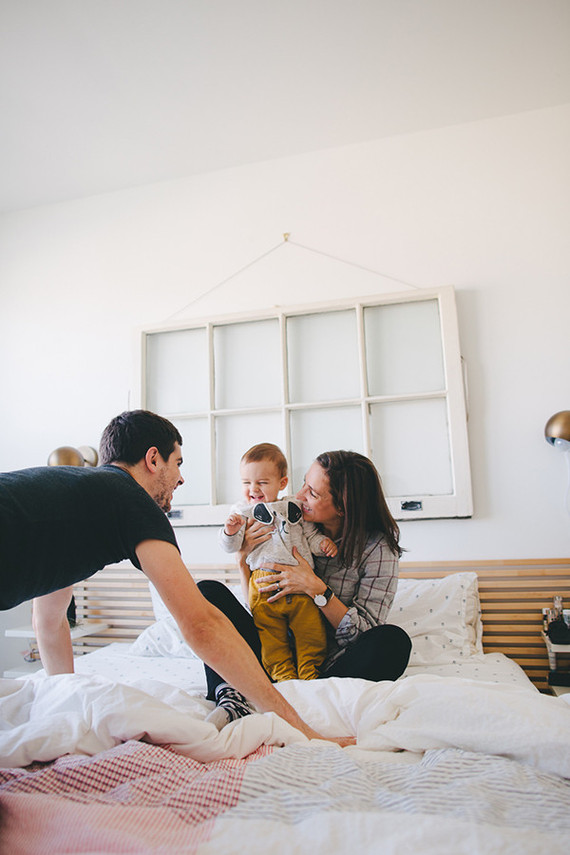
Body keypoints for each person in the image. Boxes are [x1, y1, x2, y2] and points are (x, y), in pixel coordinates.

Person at [0, 410, 352, 746]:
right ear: (154, 460)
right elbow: (201, 624)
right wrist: (302, 729)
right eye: (178, 463)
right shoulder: (131, 499)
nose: (181, 478)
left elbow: (48, 621)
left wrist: (65, 709)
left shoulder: (73, 496)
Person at [199, 449, 412, 724]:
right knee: (207, 594)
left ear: (343, 507)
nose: (299, 496)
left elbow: (366, 632)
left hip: (329, 667)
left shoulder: (378, 551)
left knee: (393, 642)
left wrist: (317, 590)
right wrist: (243, 561)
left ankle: (310, 695)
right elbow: (258, 607)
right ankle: (233, 695)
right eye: (303, 484)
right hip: (271, 654)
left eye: (312, 493)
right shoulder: (288, 524)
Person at [219, 443, 336, 684]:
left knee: (311, 632)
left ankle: (309, 673)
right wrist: (230, 532)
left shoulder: (294, 507)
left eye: (262, 482)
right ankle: (282, 676)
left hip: (301, 586)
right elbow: (232, 548)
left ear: (282, 483)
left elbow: (310, 536)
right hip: (263, 585)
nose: (253, 489)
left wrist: (323, 544)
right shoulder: (242, 512)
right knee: (271, 638)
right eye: (246, 483)